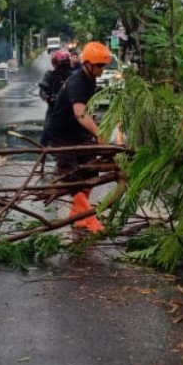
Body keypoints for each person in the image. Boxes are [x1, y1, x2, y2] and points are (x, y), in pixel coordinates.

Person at [46, 41, 112, 234]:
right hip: (62, 135)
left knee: (90, 173)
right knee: (72, 178)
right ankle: (90, 220)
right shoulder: (77, 81)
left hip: (79, 133)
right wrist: (99, 133)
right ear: (88, 64)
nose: (101, 70)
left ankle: (77, 217)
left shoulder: (90, 79)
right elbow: (80, 113)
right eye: (99, 66)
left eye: (103, 66)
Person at [38, 48, 73, 147]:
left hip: (72, 108)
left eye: (66, 63)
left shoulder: (74, 75)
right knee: (47, 130)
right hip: (55, 107)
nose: (64, 67)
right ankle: (42, 151)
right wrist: (47, 97)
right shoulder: (50, 75)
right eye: (62, 64)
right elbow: (43, 89)